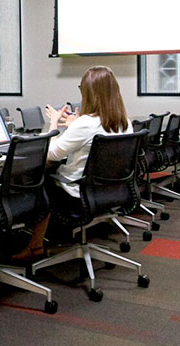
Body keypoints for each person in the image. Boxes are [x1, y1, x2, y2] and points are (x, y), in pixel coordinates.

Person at [14, 66, 133, 260]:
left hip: (78, 195)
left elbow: (49, 154)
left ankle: (34, 244)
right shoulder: (125, 122)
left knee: (39, 181)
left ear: (89, 93)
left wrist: (54, 123)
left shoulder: (85, 124)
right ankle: (43, 240)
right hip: (112, 192)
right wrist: (74, 125)